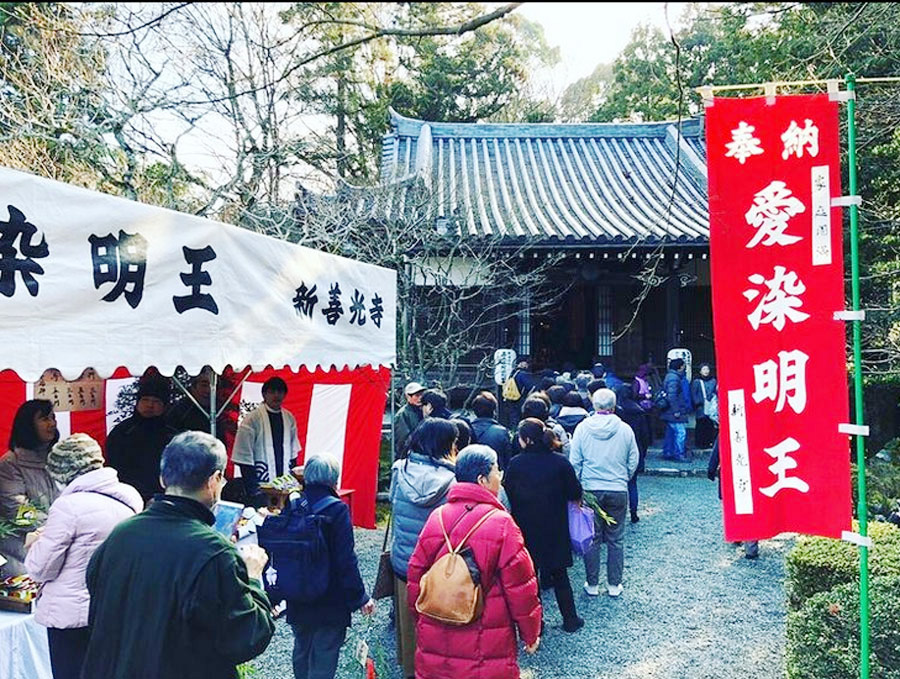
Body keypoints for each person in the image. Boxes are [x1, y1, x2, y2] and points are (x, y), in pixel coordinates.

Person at [81, 431, 275, 679]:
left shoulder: (121, 535)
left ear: (163, 478)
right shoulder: (214, 552)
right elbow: (245, 638)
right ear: (214, 481)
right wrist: (253, 578)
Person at [407, 445, 542, 679]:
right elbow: (520, 587)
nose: (499, 477)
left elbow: (416, 573)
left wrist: (420, 618)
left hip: (437, 627)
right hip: (487, 636)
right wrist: (530, 633)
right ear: (482, 479)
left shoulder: (437, 516)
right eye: (496, 471)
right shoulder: (501, 523)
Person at [24, 434, 142, 679]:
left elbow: (39, 568)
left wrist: (35, 542)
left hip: (71, 616)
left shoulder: (69, 507)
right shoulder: (129, 500)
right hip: (114, 610)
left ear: (63, 473)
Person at [286, 453, 375, 679]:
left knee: (302, 647)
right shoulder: (337, 509)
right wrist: (360, 597)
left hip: (298, 591)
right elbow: (345, 559)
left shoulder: (294, 503)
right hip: (329, 596)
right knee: (324, 652)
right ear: (333, 479)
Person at [389, 418, 457, 679]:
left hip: (404, 559)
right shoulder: (451, 479)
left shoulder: (399, 469)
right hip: (436, 563)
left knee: (409, 623)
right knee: (438, 623)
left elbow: (395, 505)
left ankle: (410, 669)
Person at [504, 419, 584, 633]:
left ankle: (536, 624)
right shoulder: (559, 462)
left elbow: (507, 493)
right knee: (560, 575)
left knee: (530, 577)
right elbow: (575, 492)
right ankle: (570, 619)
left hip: (526, 527)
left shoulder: (516, 463)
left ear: (526, 439)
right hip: (555, 525)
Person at [570, 389, 639, 598]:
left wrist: (580, 483)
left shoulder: (582, 428)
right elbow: (633, 459)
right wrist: (623, 477)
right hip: (617, 487)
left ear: (594, 404)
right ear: (614, 405)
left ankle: (592, 584)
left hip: (591, 487)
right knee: (616, 538)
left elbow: (575, 461)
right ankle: (614, 584)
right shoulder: (625, 429)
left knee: (593, 538)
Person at [0, 399, 61, 576]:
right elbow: (15, 509)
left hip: (53, 544)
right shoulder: (10, 464)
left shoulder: (56, 458)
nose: (52, 424)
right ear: (28, 425)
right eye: (44, 419)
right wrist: (53, 527)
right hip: (20, 552)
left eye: (53, 417)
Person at [106, 374, 178, 504]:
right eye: (145, 400)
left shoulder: (172, 436)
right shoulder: (122, 432)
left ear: (164, 406)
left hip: (163, 499)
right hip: (126, 497)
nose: (150, 405)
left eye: (156, 401)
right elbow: (112, 467)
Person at [232, 376, 302, 508]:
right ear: (264, 394)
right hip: (260, 484)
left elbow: (293, 453)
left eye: (280, 392)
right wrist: (253, 489)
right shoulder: (252, 419)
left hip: (284, 484)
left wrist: (291, 481)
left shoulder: (289, 418)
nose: (276, 395)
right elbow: (244, 456)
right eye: (272, 392)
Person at [707, 437, 759, 559]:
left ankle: (737, 534)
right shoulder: (757, 428)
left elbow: (717, 451)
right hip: (751, 472)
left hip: (730, 472)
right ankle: (750, 547)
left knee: (732, 506)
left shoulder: (728, 427)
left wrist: (711, 469)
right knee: (750, 509)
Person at [614, 385, 651, 523]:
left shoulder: (616, 410)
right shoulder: (638, 411)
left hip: (617, 448)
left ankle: (617, 514)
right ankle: (634, 512)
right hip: (635, 447)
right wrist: (643, 452)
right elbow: (645, 435)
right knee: (632, 483)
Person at [468, 391, 512, 470]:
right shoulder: (501, 432)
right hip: (494, 475)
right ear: (494, 411)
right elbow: (507, 460)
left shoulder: (467, 430)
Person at [660, 358, 691, 462]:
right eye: (683, 366)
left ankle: (669, 452)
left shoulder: (670, 376)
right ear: (680, 367)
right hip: (675, 412)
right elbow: (672, 396)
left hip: (670, 411)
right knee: (681, 433)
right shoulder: (674, 378)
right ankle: (679, 454)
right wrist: (676, 410)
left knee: (671, 432)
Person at [394, 382, 426, 459]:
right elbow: (402, 440)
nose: (420, 398)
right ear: (408, 396)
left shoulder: (423, 410)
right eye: (417, 395)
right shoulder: (403, 414)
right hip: (409, 456)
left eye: (421, 395)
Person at [691, 363, 719, 449]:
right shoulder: (696, 381)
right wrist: (697, 402)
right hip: (701, 406)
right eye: (704, 369)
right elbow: (693, 393)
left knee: (710, 424)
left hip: (711, 405)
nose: (706, 371)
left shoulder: (713, 381)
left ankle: (709, 442)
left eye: (707, 369)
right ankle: (700, 443)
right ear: (700, 371)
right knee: (701, 424)